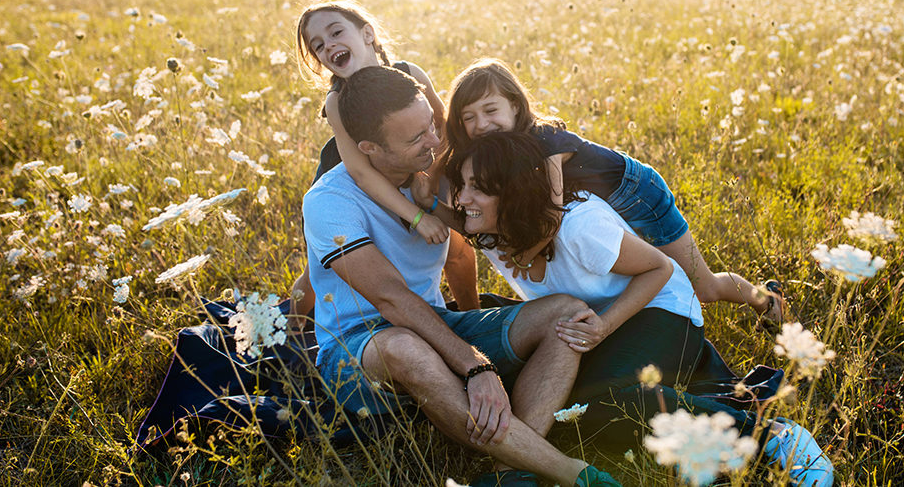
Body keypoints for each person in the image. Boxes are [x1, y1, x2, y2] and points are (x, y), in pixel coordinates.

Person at [432, 131, 834, 487]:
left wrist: (604, 327)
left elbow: (661, 269)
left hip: (661, 309)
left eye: (476, 188)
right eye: (462, 185)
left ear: (514, 194)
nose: (461, 199)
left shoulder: (579, 226)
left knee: (606, 407)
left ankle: (771, 436)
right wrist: (417, 208)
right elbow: (427, 195)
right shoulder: (493, 232)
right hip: (593, 320)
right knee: (570, 414)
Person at [302, 66, 623, 487]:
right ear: (369, 148)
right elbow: (391, 300)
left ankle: (510, 472)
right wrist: (475, 364)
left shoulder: (433, 183)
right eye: (416, 138)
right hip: (359, 350)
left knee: (567, 313)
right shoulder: (329, 201)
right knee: (405, 347)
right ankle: (574, 474)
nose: (435, 142)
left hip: (434, 323)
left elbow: (458, 256)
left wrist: (477, 327)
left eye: (432, 127)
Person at [440, 58, 786, 327]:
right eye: (468, 117)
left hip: (639, 194)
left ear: (515, 105)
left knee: (705, 288)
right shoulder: (501, 148)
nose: (481, 125)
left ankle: (765, 299)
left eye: (490, 110)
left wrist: (522, 256)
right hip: (605, 204)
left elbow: (551, 214)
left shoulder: (546, 141)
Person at [289, 0, 479, 332]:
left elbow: (442, 125)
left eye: (335, 32)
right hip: (359, 175)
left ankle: (472, 316)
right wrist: (416, 216)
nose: (328, 45)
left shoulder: (410, 73)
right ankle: (289, 333)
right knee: (319, 268)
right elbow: (362, 173)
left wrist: (431, 179)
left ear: (367, 33)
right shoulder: (336, 101)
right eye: (318, 46)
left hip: (417, 164)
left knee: (457, 249)